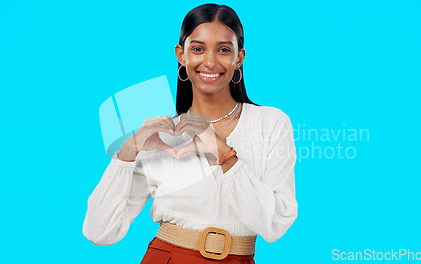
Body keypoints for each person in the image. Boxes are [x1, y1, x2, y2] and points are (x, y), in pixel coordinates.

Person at [83, 3, 298, 263]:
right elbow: (100, 232)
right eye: (197, 49)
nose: (209, 61)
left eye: (223, 50)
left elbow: (276, 224)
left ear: (239, 58)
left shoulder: (271, 123)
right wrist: (127, 153)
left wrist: (223, 152)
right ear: (181, 55)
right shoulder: (161, 136)